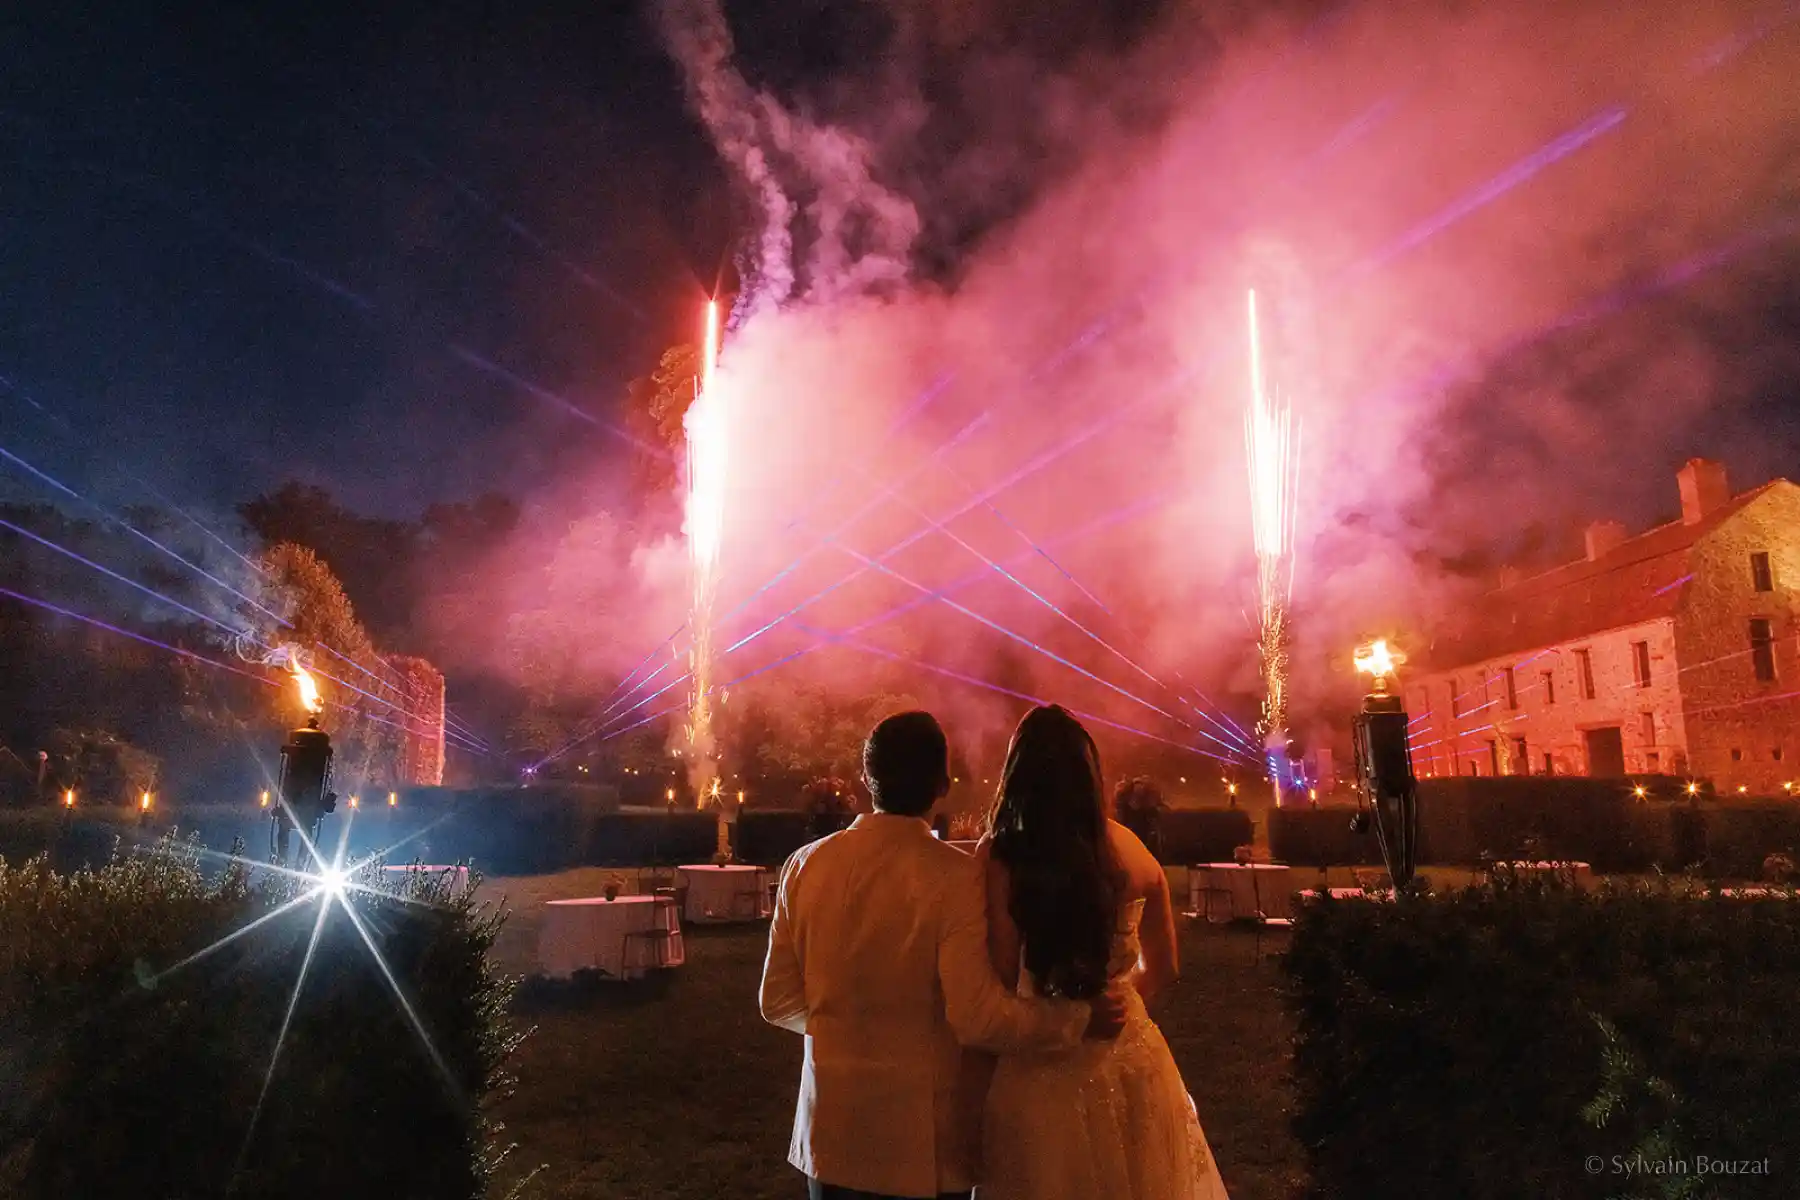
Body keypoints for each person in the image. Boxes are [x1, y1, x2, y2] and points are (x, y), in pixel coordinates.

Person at [761, 711, 1127, 1200]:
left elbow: (778, 1000)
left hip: (830, 1132)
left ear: (866, 778)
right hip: (920, 1144)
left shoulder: (805, 866)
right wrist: (1075, 1021)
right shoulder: (954, 877)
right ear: (942, 785)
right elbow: (976, 1017)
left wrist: (847, 1024)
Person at [975, 705, 1230, 1200]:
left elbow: (1001, 976)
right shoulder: (1131, 849)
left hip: (1044, 1068)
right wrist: (1121, 1004)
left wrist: (1063, 1016)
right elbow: (1165, 966)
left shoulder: (1005, 853)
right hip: (1134, 1058)